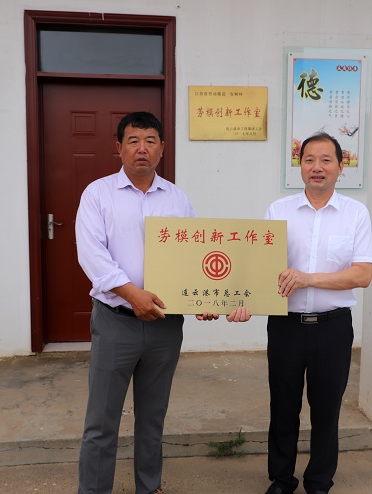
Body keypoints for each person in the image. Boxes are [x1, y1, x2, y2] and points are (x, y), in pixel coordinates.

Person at [75, 111, 250, 494]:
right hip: (117, 321)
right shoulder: (97, 194)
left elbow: (195, 258)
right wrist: (132, 294)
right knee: (101, 421)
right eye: (133, 141)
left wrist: (204, 298)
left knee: (152, 418)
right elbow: (93, 256)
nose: (142, 148)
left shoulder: (177, 198)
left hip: (166, 325)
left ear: (162, 148)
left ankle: (148, 486)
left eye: (150, 141)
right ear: (119, 147)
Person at [263, 132, 372, 494]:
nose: (317, 167)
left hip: (333, 328)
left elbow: (362, 274)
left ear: (341, 167)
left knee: (327, 410)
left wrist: (308, 279)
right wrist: (241, 299)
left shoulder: (355, 214)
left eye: (326, 160)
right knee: (283, 407)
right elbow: (262, 271)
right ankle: (281, 479)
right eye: (309, 159)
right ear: (299, 166)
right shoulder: (278, 211)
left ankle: (319, 482)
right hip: (286, 326)